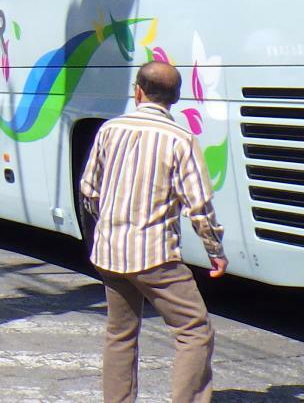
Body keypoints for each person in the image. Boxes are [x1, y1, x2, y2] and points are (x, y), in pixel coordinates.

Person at [79, 60, 225, 403]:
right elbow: (199, 205)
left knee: (120, 333)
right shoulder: (180, 139)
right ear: (175, 97)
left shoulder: (109, 130)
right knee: (194, 330)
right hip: (154, 255)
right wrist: (214, 250)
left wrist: (109, 226)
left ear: (138, 91)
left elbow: (89, 190)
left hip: (109, 252)